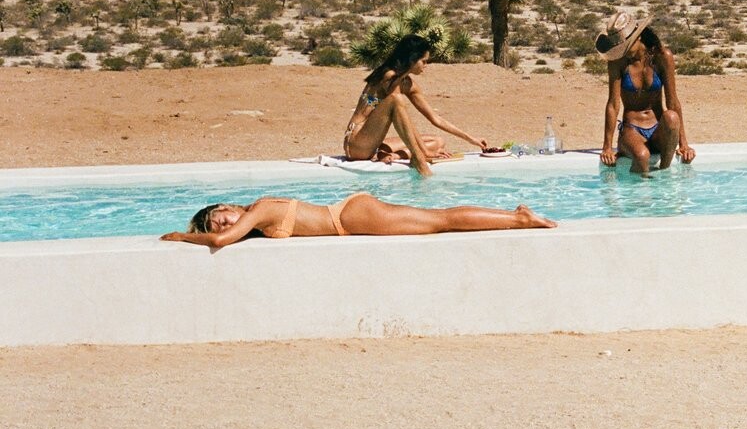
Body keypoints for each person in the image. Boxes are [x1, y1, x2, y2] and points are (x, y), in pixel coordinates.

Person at [161, 192, 555, 247]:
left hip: (350, 216)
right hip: (350, 217)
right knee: (439, 220)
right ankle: (516, 217)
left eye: (218, 217)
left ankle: (519, 218)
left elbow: (219, 243)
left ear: (226, 206)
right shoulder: (258, 219)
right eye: (214, 225)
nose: (221, 225)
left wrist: (183, 237)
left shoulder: (259, 210)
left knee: (441, 220)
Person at [342, 34, 487, 177]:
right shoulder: (389, 76)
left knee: (438, 142)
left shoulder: (407, 83)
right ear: (412, 59)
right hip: (357, 144)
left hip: (374, 141)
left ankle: (392, 155)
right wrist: (423, 151)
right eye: (423, 61)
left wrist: (471, 139)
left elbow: (435, 118)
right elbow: (400, 113)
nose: (426, 66)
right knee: (396, 100)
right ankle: (418, 159)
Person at [596, 9, 696, 175]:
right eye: (620, 48)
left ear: (638, 37)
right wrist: (607, 147)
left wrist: (684, 144)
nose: (623, 51)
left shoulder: (662, 57)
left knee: (672, 117)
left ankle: (664, 174)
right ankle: (639, 190)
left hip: (658, 129)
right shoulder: (618, 62)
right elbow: (613, 104)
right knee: (642, 156)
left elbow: (672, 102)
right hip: (632, 129)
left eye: (626, 46)